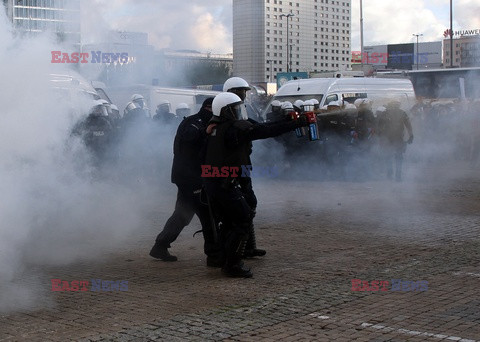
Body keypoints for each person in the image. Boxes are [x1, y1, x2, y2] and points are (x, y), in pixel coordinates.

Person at [203, 92, 308, 278]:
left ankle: (225, 258)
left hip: (215, 182)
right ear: (225, 111)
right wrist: (297, 124)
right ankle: (232, 265)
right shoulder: (232, 128)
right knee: (243, 219)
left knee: (229, 222)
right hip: (225, 184)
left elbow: (262, 127)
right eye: (234, 109)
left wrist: (287, 121)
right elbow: (264, 131)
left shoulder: (216, 127)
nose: (239, 112)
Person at [149, 98, 223, 265]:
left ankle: (160, 245)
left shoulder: (205, 122)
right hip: (190, 178)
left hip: (191, 177)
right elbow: (189, 139)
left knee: (183, 214)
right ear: (208, 108)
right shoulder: (194, 122)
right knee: (208, 214)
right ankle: (214, 255)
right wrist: (205, 131)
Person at [377, 100, 414, 181]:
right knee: (399, 157)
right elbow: (408, 125)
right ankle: (398, 176)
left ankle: (390, 174)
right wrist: (411, 135)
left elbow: (379, 127)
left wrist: (380, 137)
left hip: (388, 139)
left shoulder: (385, 113)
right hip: (399, 138)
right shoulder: (402, 113)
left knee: (388, 156)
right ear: (399, 105)